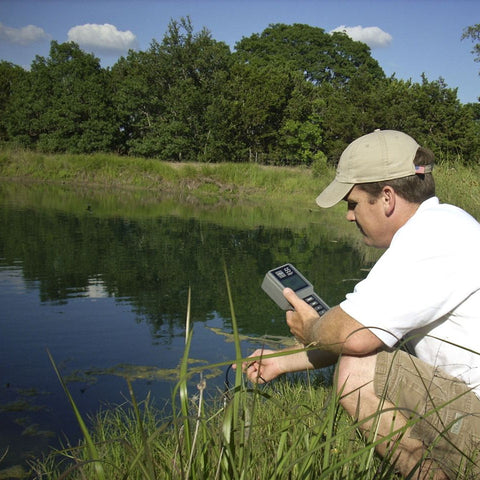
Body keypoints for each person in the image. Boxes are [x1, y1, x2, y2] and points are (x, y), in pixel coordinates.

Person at [242, 130, 480, 479]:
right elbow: (367, 331)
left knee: (357, 372)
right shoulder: (447, 225)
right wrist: (280, 363)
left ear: (386, 198)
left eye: (353, 204)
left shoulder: (430, 239)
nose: (349, 217)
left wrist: (311, 328)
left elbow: (355, 337)